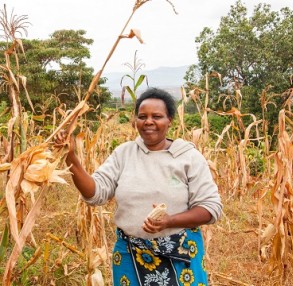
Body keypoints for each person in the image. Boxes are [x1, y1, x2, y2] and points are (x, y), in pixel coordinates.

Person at [55, 87, 222, 286]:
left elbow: (211, 208)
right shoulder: (124, 153)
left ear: (170, 120)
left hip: (179, 254)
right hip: (130, 255)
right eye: (142, 116)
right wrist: (70, 156)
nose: (148, 121)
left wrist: (169, 221)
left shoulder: (188, 157)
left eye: (157, 116)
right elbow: (95, 193)